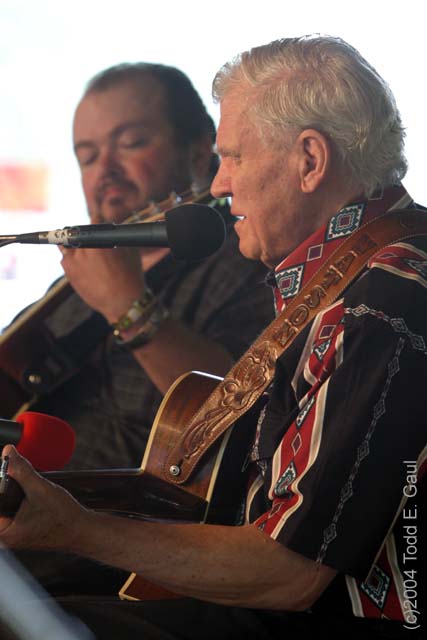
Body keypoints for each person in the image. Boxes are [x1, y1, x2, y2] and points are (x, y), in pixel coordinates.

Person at [0, 35, 425, 640]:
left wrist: (72, 528)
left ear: (309, 160)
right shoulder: (352, 278)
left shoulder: (377, 306)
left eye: (233, 158)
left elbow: (289, 572)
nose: (219, 184)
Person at [9, 62, 273, 469]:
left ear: (200, 151)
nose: (105, 169)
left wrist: (128, 306)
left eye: (130, 143)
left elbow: (243, 417)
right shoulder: (76, 279)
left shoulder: (251, 260)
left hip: (121, 522)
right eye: (88, 156)